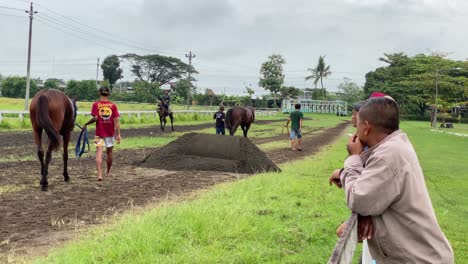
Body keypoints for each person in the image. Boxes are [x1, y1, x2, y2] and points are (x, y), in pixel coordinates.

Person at [330, 97, 454, 263]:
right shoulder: (395, 145)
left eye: (358, 124)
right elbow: (373, 187)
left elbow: (359, 199)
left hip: (419, 259)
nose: (355, 131)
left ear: (366, 127)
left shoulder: (387, 156)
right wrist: (345, 173)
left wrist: (353, 158)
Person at [82, 86, 121, 181]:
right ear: (109, 94)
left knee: (99, 153)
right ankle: (107, 171)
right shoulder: (113, 106)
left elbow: (95, 118)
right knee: (109, 152)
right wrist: (119, 134)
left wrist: (86, 124)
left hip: (99, 133)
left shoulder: (96, 105)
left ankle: (99, 174)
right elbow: (116, 121)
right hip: (110, 133)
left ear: (100, 93)